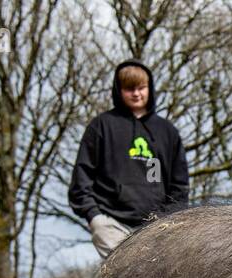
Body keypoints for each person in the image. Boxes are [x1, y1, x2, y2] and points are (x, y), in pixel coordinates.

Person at [68, 60, 188, 259]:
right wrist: (94, 217)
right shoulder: (101, 126)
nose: (136, 94)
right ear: (119, 90)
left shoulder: (167, 132)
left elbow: (180, 185)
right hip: (111, 223)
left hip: (157, 227)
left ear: (149, 88)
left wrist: (171, 219)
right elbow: (82, 176)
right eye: (129, 89)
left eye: (141, 88)